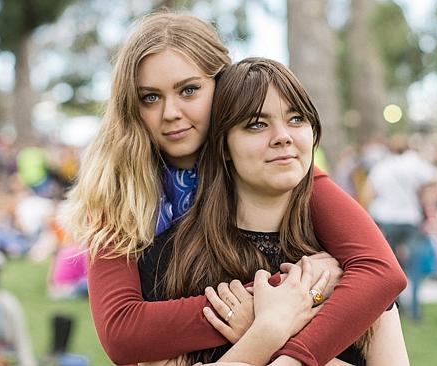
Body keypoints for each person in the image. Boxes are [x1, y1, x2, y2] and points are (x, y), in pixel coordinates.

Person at [64, 12, 406, 365]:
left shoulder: (276, 169)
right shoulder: (117, 192)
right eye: (150, 97)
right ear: (130, 107)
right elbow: (122, 332)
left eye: (189, 90)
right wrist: (277, 301)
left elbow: (379, 270)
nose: (171, 112)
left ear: (224, 87)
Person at [137, 57, 409, 365]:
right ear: (224, 146)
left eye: (296, 119)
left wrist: (268, 340)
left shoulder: (348, 266)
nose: (283, 136)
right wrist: (268, 329)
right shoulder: (170, 261)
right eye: (256, 124)